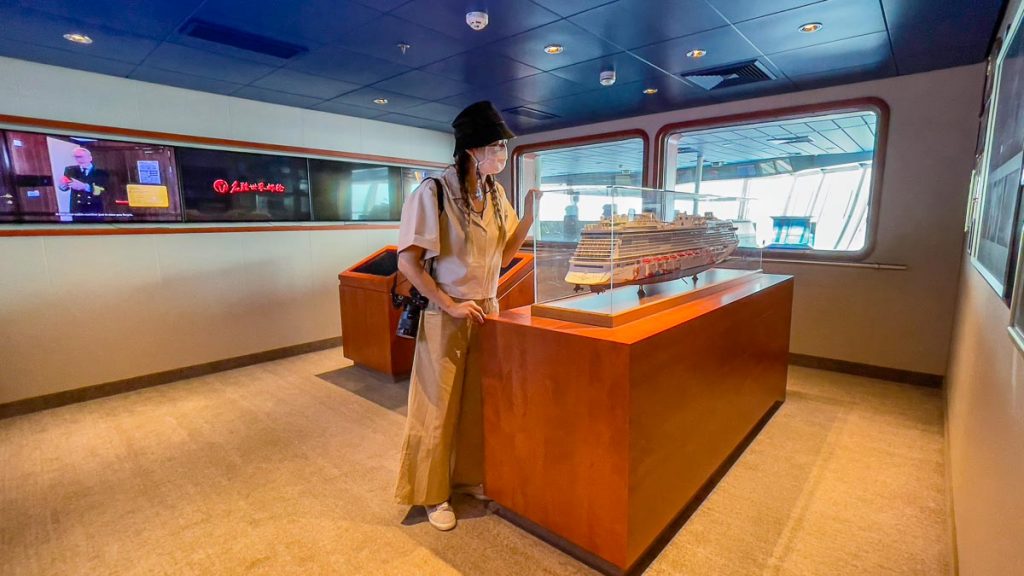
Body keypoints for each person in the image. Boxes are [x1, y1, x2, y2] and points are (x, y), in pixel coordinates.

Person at [394, 101, 540, 531]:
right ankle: (431, 493)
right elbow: (409, 262)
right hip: (446, 312)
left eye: (503, 147)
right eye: (496, 146)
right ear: (472, 149)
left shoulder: (495, 194)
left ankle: (468, 478)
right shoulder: (433, 193)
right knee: (437, 406)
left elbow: (504, 253)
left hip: (486, 312)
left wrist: (528, 217)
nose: (502, 154)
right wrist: (450, 303)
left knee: (476, 402)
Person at [58, 147, 109, 221]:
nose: (79, 160)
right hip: (77, 209)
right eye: (76, 157)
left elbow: (103, 190)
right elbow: (65, 187)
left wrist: (85, 187)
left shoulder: (100, 172)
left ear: (90, 158)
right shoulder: (70, 170)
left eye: (81, 157)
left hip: (94, 209)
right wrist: (62, 186)